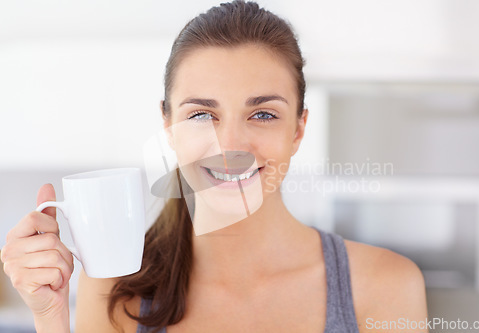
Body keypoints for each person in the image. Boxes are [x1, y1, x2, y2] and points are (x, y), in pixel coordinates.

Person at [0, 1, 428, 332]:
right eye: (202, 115)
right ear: (168, 127)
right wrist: (51, 317)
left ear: (298, 130)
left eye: (262, 114)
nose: (230, 145)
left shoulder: (385, 286)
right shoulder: (117, 287)